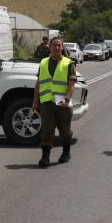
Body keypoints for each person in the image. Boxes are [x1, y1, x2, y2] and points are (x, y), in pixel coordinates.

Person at [31, 36, 77, 168]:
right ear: (50, 47)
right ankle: (45, 157)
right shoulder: (43, 62)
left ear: (62, 47)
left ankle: (66, 153)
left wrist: (67, 99)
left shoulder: (69, 63)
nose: (56, 47)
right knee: (47, 130)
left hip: (63, 103)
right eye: (54, 45)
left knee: (65, 131)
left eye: (59, 45)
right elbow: (39, 83)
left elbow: (71, 84)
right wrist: (35, 101)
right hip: (47, 103)